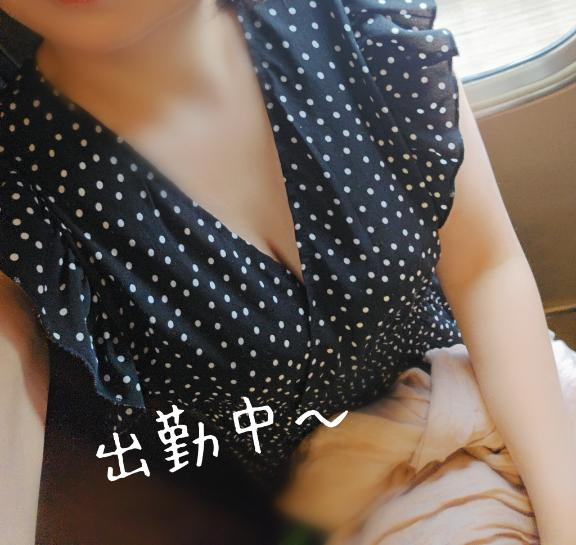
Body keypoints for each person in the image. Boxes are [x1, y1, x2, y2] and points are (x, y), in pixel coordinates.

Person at [0, 0, 574, 543]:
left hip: (485, 383)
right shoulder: (20, 190)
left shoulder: (353, 22)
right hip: (334, 505)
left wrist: (564, 516)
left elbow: (485, 269)